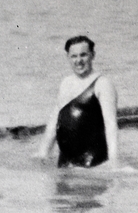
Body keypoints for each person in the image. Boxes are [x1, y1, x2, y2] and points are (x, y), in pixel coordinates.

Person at [36, 35, 119, 168]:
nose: (78, 61)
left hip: (93, 163)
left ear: (93, 55)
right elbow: (53, 122)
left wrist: (114, 161)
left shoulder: (102, 84)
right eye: (74, 56)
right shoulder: (65, 83)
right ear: (68, 57)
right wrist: (42, 153)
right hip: (65, 163)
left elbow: (111, 125)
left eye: (83, 55)